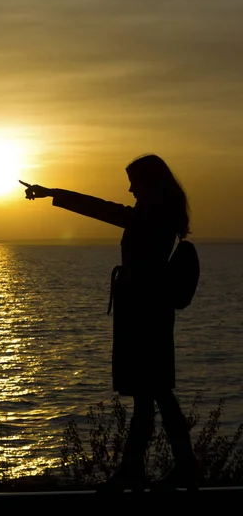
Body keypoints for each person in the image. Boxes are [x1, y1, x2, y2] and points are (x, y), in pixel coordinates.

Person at [20, 154, 197, 491]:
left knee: (154, 393)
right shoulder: (157, 215)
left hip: (145, 316)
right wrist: (52, 192)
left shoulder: (150, 217)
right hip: (148, 314)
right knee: (152, 394)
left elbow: (101, 208)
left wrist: (51, 193)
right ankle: (154, 467)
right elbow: (104, 208)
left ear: (149, 184)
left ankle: (162, 467)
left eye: (134, 182)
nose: (130, 189)